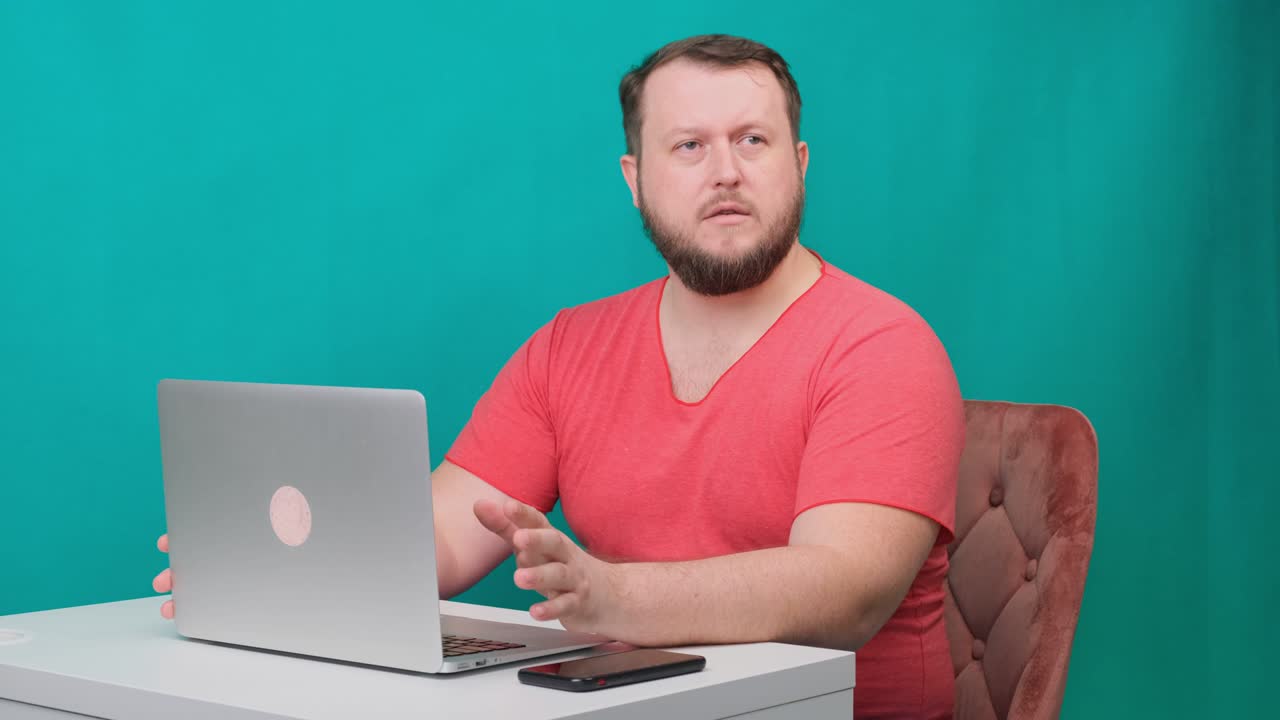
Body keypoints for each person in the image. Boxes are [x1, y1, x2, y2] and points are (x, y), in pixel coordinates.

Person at [152, 34, 964, 718]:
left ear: (800, 162)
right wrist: (274, 573)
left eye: (753, 140)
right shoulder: (570, 346)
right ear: (634, 181)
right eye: (689, 146)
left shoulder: (882, 345)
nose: (726, 171)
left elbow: (845, 590)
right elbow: (440, 533)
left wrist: (617, 598)